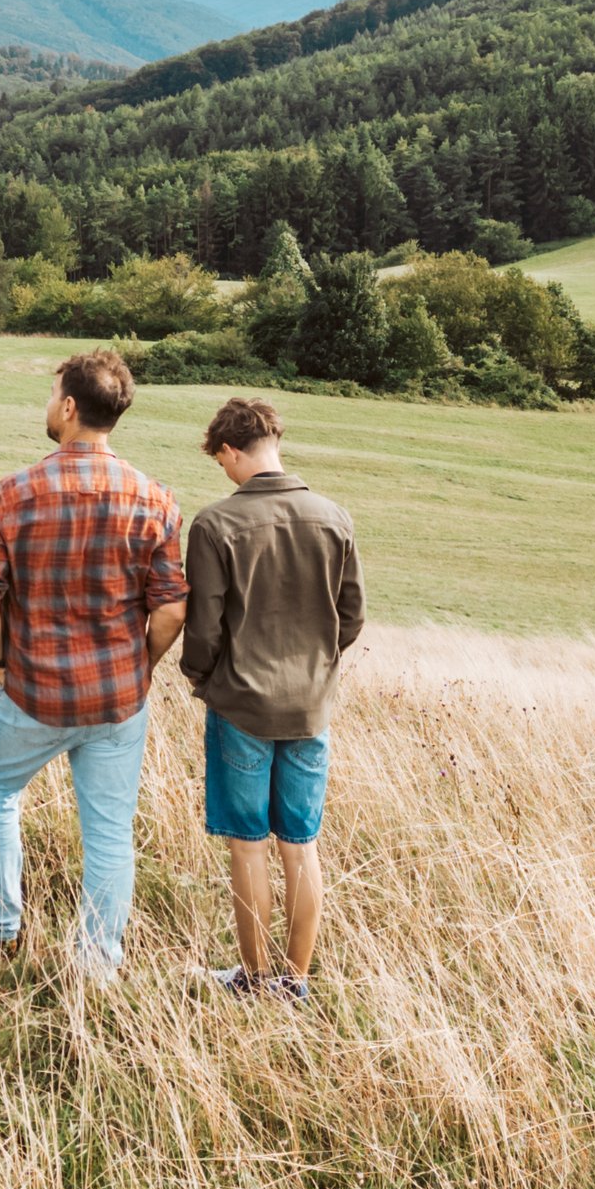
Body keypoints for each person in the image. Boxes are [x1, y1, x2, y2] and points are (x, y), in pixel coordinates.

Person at [0, 349, 188, 976]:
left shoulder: (12, 494)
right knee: (110, 832)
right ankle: (96, 962)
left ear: (67, 406)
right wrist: (137, 668)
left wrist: (1, 659)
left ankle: (1, 928)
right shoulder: (157, 500)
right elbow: (171, 611)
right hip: (118, 697)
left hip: (34, 693)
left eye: (51, 392)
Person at [179, 395, 365, 1004]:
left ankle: (254, 977)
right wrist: (317, 671)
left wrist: (200, 678)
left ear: (233, 450)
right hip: (311, 706)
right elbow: (352, 617)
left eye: (221, 460)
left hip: (240, 705)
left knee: (248, 843)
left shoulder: (215, 525)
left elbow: (203, 629)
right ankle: (297, 980)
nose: (223, 471)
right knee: (301, 842)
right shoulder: (333, 517)